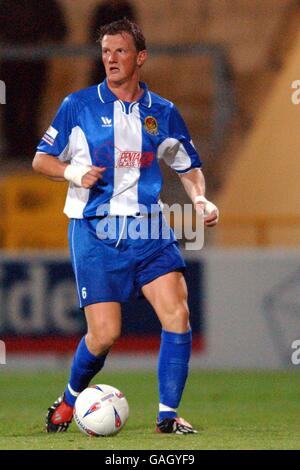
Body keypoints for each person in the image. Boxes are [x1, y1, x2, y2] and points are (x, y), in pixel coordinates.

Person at [32, 18, 219, 435]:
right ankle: (67, 400)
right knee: (104, 334)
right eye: (105, 52)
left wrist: (199, 198)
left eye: (119, 51)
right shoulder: (78, 104)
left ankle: (167, 417)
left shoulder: (163, 112)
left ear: (140, 57)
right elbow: (40, 159)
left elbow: (188, 165)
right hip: (95, 230)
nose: (110, 59)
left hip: (149, 228)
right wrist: (72, 172)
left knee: (178, 313)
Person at [0, 0, 67, 160]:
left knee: (32, 105)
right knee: (11, 105)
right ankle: (14, 147)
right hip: (8, 62)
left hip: (35, 61)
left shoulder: (44, 4)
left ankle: (26, 147)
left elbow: (59, 30)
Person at [89, 0, 136, 85]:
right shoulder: (101, 10)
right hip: (102, 61)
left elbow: (132, 32)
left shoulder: (126, 9)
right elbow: (94, 33)